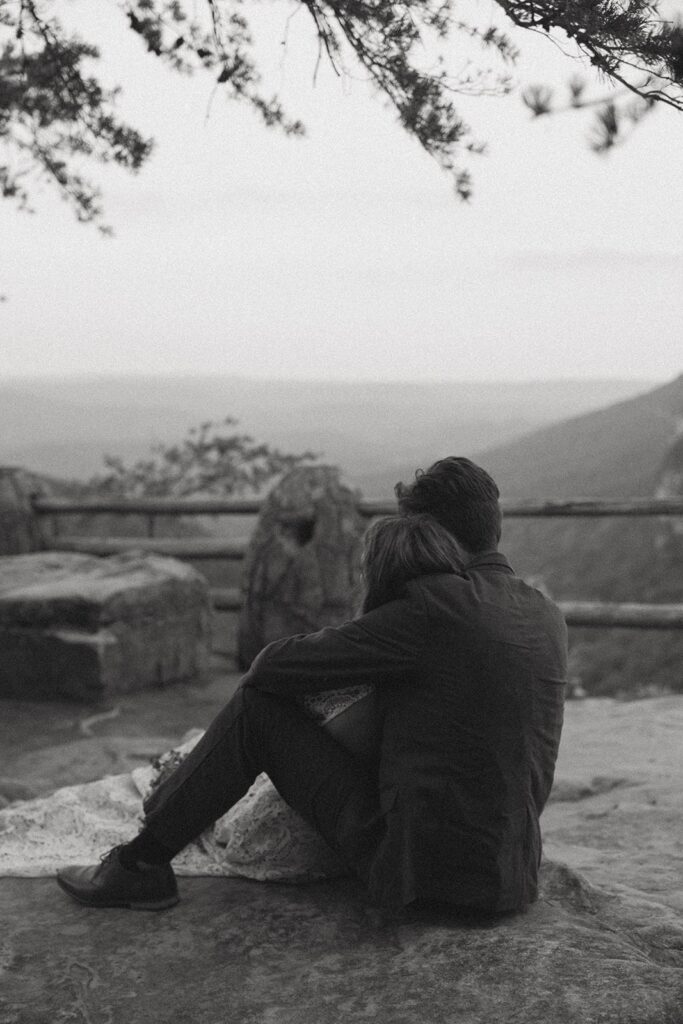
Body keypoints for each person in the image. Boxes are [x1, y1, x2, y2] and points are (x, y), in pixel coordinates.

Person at [57, 456, 567, 916]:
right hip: (510, 878)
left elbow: (272, 667)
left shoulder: (436, 608)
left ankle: (140, 864)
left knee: (257, 710)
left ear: (431, 534)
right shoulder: (546, 613)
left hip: (423, 879)